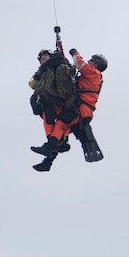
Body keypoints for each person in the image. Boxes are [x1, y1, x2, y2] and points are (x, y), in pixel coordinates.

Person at [28, 31, 78, 172]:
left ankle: (59, 142)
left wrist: (59, 43)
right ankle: (48, 159)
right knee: (48, 118)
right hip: (49, 99)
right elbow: (32, 84)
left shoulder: (58, 65)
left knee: (61, 122)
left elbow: (65, 66)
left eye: (45, 57)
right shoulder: (41, 72)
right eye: (42, 58)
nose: (44, 59)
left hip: (61, 97)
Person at [68, 48, 107, 162]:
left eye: (91, 60)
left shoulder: (93, 72)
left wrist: (74, 53)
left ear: (95, 64)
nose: (89, 61)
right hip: (83, 109)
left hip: (83, 109)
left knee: (64, 121)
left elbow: (79, 63)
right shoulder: (92, 76)